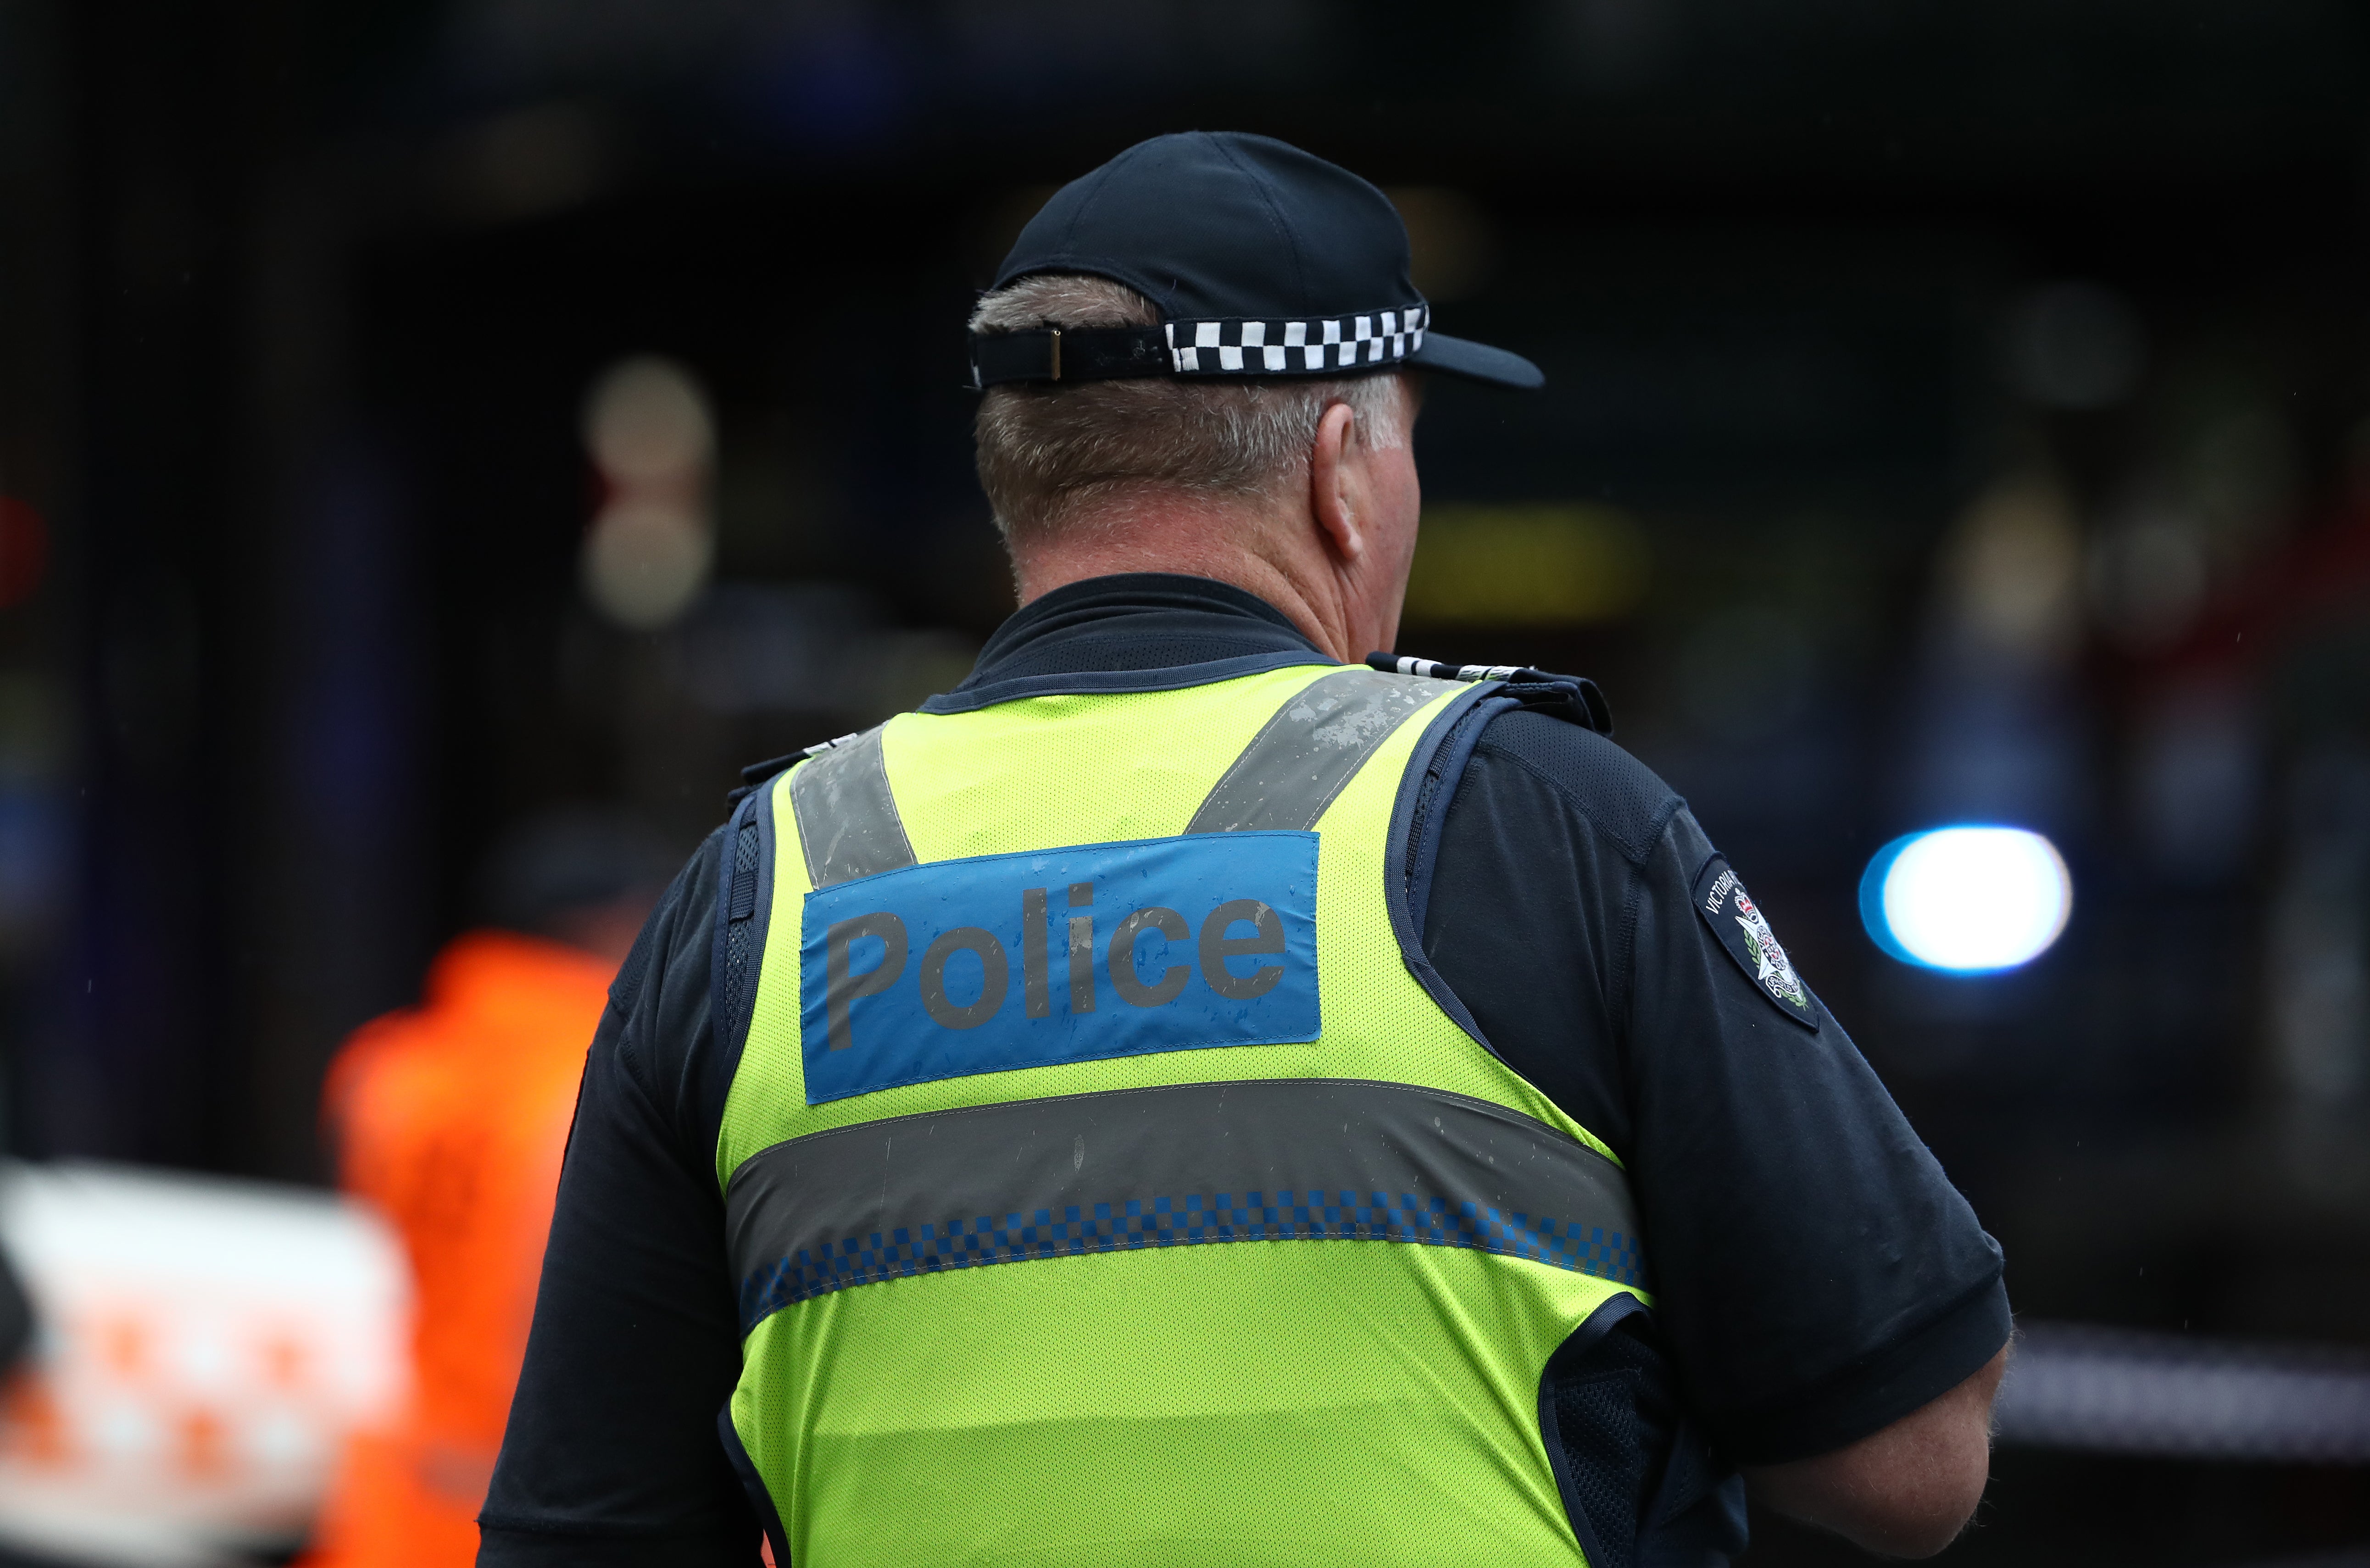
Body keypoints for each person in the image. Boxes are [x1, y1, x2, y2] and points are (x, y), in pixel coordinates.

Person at [479, 133, 2010, 1568]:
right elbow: (1908, 1448)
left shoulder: (759, 891)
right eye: (1410, 437)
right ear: (1341, 465)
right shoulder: (1539, 826)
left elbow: (579, 1525)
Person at [303, 809, 673, 1568]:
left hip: (404, 1496)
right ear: (608, 925)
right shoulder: (614, 1074)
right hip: (558, 1500)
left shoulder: (385, 1067)